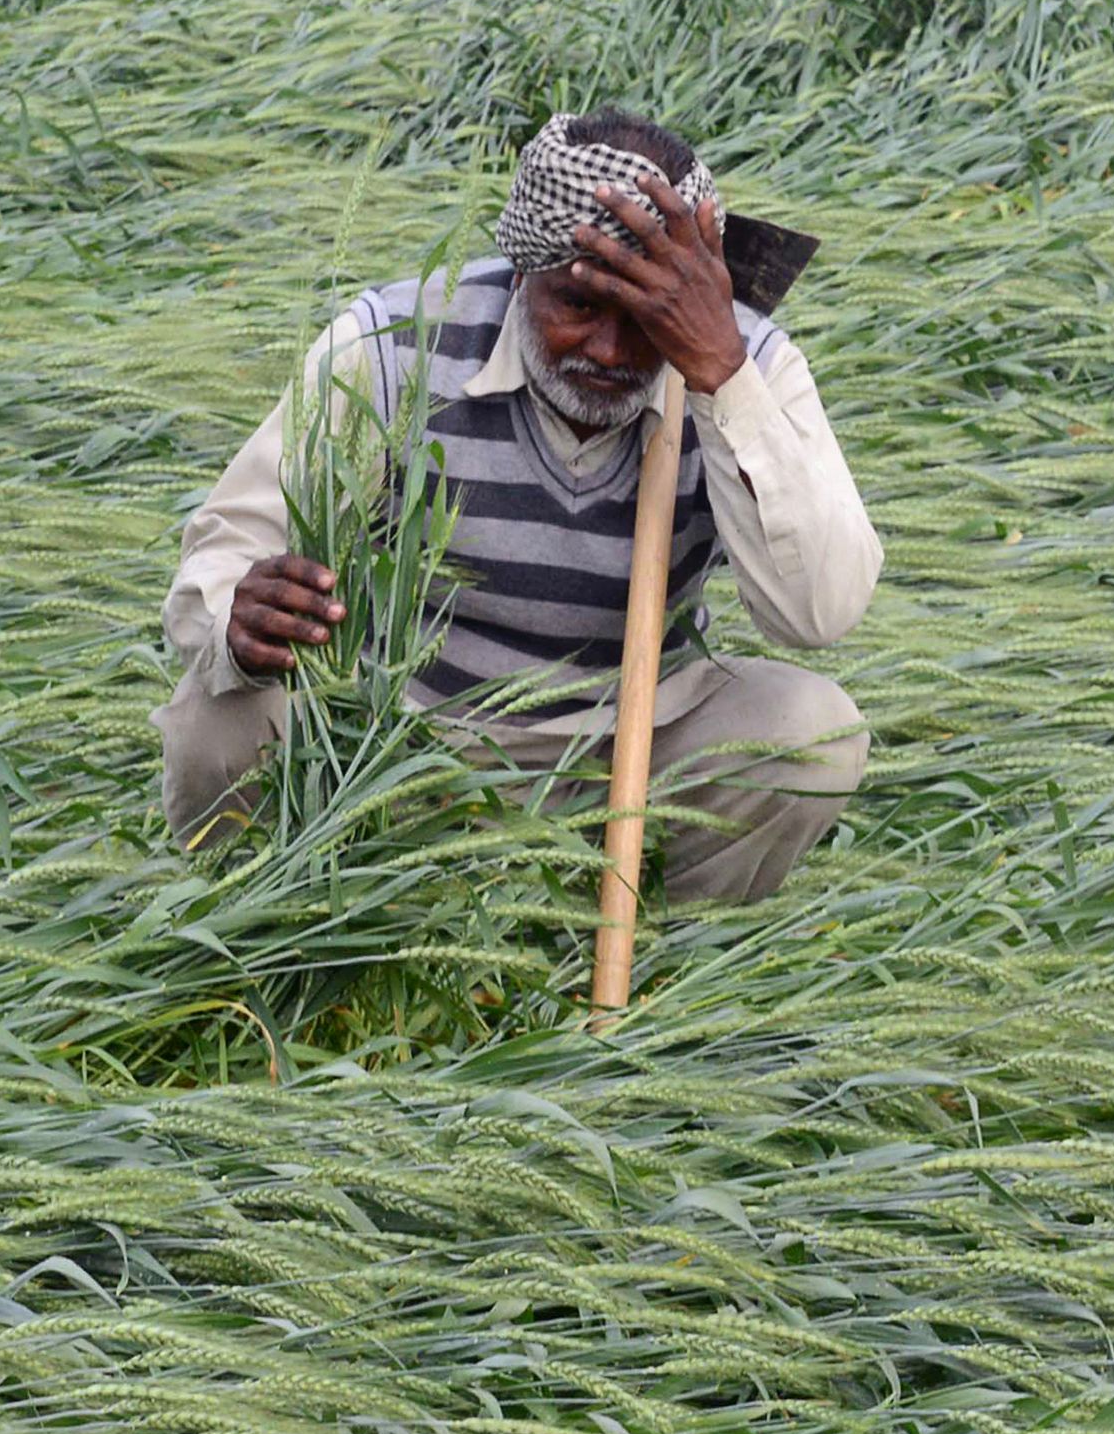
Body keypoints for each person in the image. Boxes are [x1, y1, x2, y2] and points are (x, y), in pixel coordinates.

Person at [154, 111, 880, 902]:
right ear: (521, 271)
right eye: (578, 306)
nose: (608, 351)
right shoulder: (397, 344)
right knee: (219, 717)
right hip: (391, 747)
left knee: (817, 733)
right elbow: (227, 545)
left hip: (630, 750)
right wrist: (240, 621)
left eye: (644, 319)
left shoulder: (742, 365)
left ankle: (663, 958)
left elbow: (821, 614)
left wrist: (719, 375)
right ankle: (267, 931)